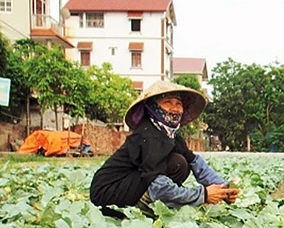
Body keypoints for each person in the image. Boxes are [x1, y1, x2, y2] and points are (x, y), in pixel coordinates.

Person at [89, 81, 239, 218]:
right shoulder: (148, 135)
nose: (175, 108)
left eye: (178, 103)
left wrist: (223, 188)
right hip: (108, 195)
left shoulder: (170, 135)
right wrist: (203, 195)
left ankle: (152, 207)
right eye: (167, 102)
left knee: (181, 163)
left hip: (130, 186)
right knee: (176, 164)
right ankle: (142, 211)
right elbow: (159, 187)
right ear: (153, 107)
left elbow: (196, 162)